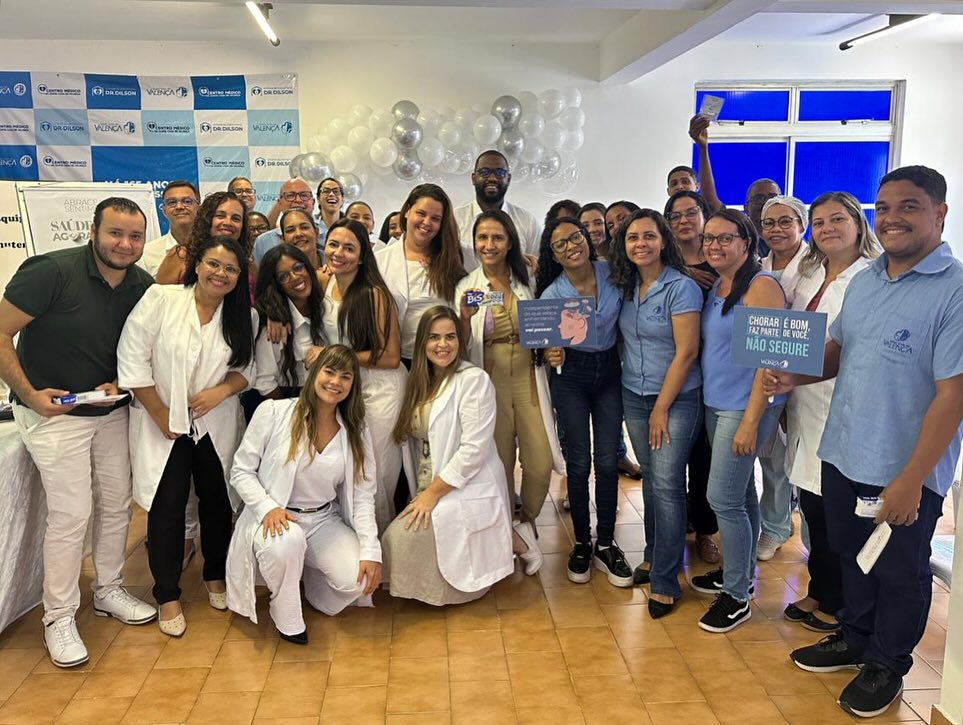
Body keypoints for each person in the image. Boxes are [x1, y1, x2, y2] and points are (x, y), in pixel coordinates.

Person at [766, 166, 963, 719]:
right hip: (843, 451)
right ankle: (854, 637)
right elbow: (838, 351)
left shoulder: (955, 290)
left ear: (939, 213)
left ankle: (886, 663)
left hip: (903, 467)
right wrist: (792, 375)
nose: (893, 218)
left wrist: (912, 480)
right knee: (852, 556)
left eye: (909, 206)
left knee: (900, 570)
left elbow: (953, 395)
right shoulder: (867, 280)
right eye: (886, 207)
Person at [0, 197, 157, 667]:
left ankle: (108, 589)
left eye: (135, 236)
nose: (125, 244)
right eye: (115, 233)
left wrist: (120, 381)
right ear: (93, 231)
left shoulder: (142, 285)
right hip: (53, 415)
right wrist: (30, 395)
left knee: (116, 505)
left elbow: (142, 349)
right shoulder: (50, 271)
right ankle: (59, 617)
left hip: (109, 412)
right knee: (71, 515)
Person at [117, 236, 257, 637]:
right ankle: (167, 594)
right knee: (167, 506)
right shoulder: (161, 299)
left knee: (217, 502)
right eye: (214, 264)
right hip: (162, 423)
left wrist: (221, 391)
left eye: (230, 269)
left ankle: (215, 574)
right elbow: (131, 358)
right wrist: (160, 413)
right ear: (196, 264)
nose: (220, 274)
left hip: (216, 421)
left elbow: (249, 370)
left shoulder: (243, 317)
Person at [226, 345, 381, 643]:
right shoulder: (274, 412)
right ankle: (286, 610)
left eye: (345, 376)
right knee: (288, 543)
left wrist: (370, 551)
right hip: (278, 517)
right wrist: (267, 507)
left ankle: (311, 583)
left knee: (359, 582)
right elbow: (241, 471)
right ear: (313, 373)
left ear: (353, 384)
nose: (335, 382)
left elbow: (363, 495)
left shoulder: (355, 429)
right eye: (329, 372)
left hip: (323, 521)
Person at [781, 191, 878, 634]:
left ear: (858, 223)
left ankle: (839, 602)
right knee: (812, 507)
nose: (827, 229)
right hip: (803, 400)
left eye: (837, 219)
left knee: (836, 513)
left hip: (842, 404)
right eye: (819, 222)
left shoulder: (872, 277)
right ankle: (820, 588)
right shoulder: (807, 272)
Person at [689, 209, 786, 634]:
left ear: (746, 242)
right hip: (718, 403)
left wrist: (750, 422)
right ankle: (739, 575)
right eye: (709, 238)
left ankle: (736, 597)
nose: (714, 245)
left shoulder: (760, 286)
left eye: (725, 238)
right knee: (741, 495)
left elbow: (770, 361)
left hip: (744, 407)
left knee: (722, 499)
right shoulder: (720, 284)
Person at [455, 210, 566, 576]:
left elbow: (547, 324)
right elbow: (460, 344)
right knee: (498, 462)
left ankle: (527, 523)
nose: (489, 245)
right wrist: (463, 316)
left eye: (497, 238)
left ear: (510, 242)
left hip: (530, 377)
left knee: (540, 461)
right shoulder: (467, 286)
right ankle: (504, 533)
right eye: (482, 238)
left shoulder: (528, 278)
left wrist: (553, 350)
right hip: (491, 381)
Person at [381, 306, 514, 605]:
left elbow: (474, 450)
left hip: (466, 482)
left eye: (450, 337)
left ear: (459, 340)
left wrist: (432, 494)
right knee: (403, 538)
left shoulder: (474, 380)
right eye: (434, 337)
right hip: (430, 481)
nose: (442, 345)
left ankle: (451, 590)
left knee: (399, 539)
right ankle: (516, 540)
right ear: (422, 343)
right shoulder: (419, 382)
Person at [610, 209, 703, 618]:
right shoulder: (626, 286)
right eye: (632, 238)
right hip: (634, 394)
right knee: (651, 480)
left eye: (648, 236)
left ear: (663, 240)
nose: (641, 244)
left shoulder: (681, 288)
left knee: (666, 484)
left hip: (676, 399)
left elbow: (687, 352)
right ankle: (652, 556)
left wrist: (662, 407)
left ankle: (666, 580)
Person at [535, 217, 632, 587]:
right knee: (578, 465)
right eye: (560, 244)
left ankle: (606, 543)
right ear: (554, 255)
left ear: (587, 239)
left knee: (607, 461)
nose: (571, 246)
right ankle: (581, 542)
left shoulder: (614, 274)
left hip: (609, 372)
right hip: (571, 376)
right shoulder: (551, 295)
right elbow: (545, 345)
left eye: (575, 237)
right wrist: (550, 352)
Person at [320, 218, 407, 532]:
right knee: (350, 466)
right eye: (333, 245)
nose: (338, 253)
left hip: (380, 389)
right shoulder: (325, 281)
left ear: (361, 255)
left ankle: (380, 541)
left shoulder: (374, 294)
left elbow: (391, 357)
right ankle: (355, 538)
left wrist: (334, 357)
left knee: (376, 470)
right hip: (345, 388)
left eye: (349, 248)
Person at [663, 190, 720, 565]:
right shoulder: (663, 264)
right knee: (670, 458)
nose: (683, 220)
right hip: (672, 372)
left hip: (714, 374)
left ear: (703, 216)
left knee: (705, 458)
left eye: (690, 213)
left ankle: (705, 530)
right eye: (675, 215)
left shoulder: (720, 261)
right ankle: (676, 522)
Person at [756, 195, 809, 562]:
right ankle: (775, 527)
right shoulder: (758, 267)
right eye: (769, 223)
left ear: (801, 226)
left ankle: (814, 535)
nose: (776, 229)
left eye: (785, 221)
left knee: (808, 461)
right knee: (772, 456)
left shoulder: (818, 267)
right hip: (768, 372)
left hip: (810, 377)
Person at [374, 183, 466, 365]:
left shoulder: (456, 257)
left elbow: (489, 260)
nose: (426, 222)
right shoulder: (379, 260)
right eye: (421, 213)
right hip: (400, 361)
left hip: (443, 360)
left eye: (435, 218)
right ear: (407, 211)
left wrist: (518, 258)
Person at [253, 244, 327, 399]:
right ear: (275, 285)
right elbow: (265, 382)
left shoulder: (325, 306)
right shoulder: (274, 326)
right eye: (283, 276)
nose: (295, 277)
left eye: (298, 268)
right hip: (292, 398)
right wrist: (290, 409)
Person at [453, 150, 542, 267]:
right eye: (484, 172)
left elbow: (537, 265)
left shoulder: (527, 222)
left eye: (500, 173)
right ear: (473, 178)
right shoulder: (454, 219)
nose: (492, 178)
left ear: (508, 179)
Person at [156, 191, 247, 286]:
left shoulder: (248, 265)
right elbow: (158, 294)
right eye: (220, 216)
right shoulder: (181, 256)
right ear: (207, 219)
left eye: (236, 218)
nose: (228, 222)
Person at [139, 180, 199, 277]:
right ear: (164, 211)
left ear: (198, 208)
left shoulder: (212, 248)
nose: (179, 207)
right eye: (172, 202)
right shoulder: (147, 253)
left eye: (187, 201)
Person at [252, 178, 317, 264]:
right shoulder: (263, 241)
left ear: (313, 202)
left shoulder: (328, 235)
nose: (298, 200)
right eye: (290, 196)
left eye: (304, 195)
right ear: (279, 203)